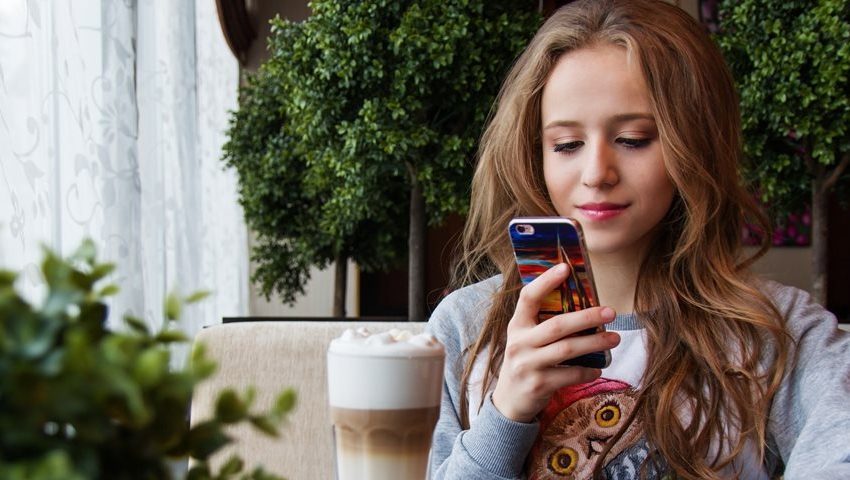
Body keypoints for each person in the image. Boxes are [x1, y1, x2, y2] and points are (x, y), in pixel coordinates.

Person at [425, 0, 850, 479]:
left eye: (633, 139)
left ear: (695, 143)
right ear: (533, 153)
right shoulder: (464, 328)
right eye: (566, 145)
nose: (596, 174)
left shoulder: (781, 332)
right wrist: (506, 415)